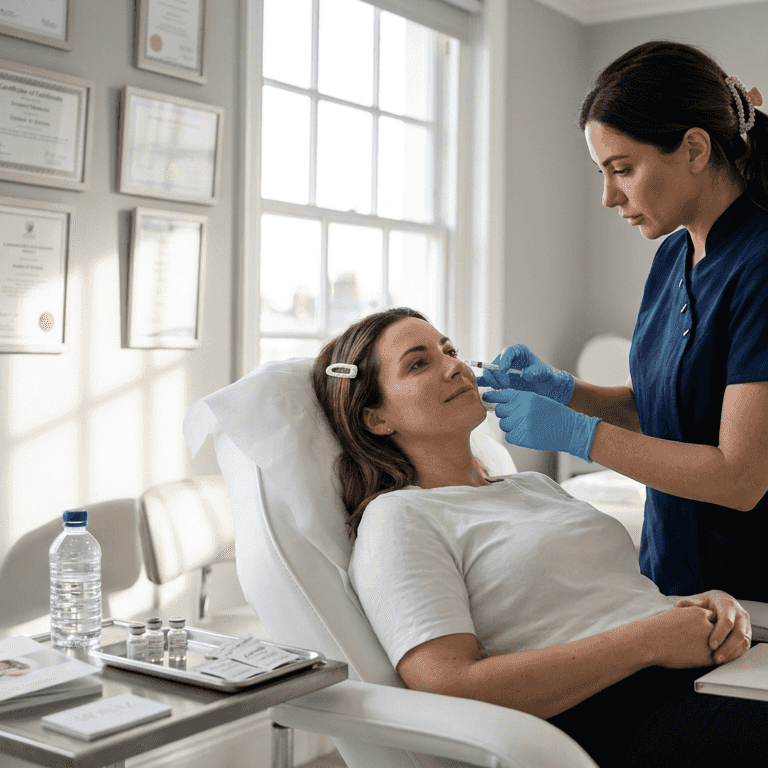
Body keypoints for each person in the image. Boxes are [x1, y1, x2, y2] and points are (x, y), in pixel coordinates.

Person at [312, 306, 764, 768]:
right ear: (376, 419)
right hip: (615, 716)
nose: (455, 366)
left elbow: (602, 600)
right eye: (419, 363)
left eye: (450, 350)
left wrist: (703, 607)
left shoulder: (532, 486)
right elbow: (447, 684)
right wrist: (649, 640)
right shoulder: (398, 517)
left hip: (701, 673)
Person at [479, 40, 768, 602]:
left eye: (622, 169)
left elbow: (741, 477)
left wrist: (578, 436)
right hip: (672, 579)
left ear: (693, 149)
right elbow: (668, 414)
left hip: (753, 598)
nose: (609, 197)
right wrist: (567, 393)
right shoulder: (672, 257)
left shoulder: (759, 267)